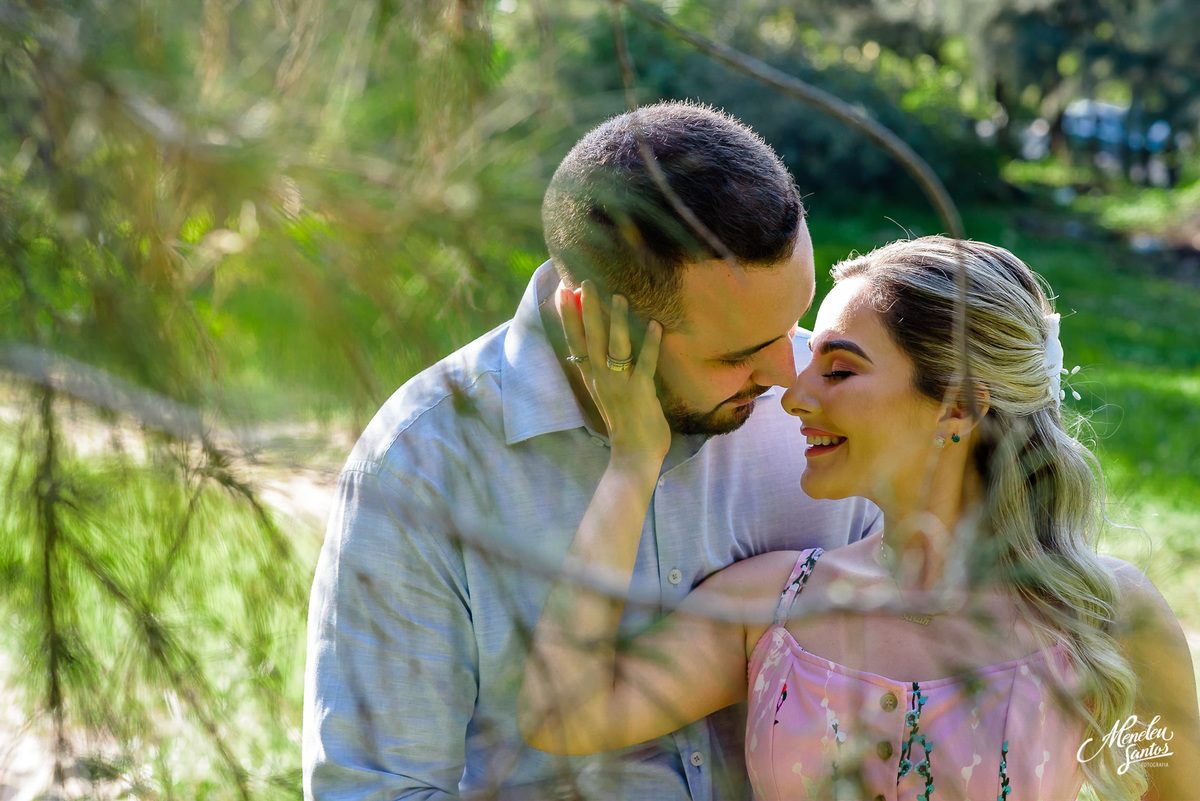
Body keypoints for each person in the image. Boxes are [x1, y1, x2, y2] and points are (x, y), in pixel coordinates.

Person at [302, 101, 880, 800]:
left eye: (792, 324)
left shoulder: (838, 414)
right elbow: (375, 786)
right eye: (737, 355)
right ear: (596, 318)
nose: (789, 375)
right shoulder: (424, 465)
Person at [518, 236, 1200, 799]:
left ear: (958, 406)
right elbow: (561, 715)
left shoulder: (1107, 618)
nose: (794, 395)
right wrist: (635, 459)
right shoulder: (770, 608)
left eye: (839, 371)